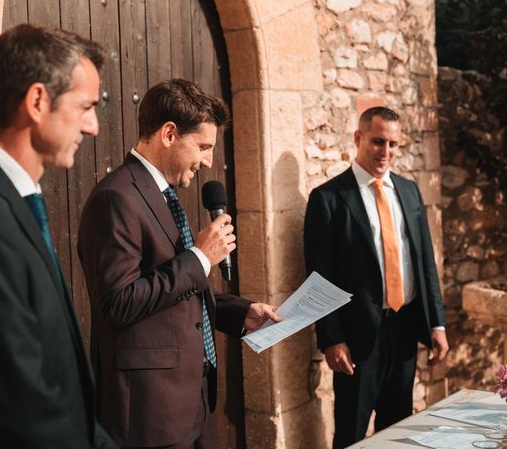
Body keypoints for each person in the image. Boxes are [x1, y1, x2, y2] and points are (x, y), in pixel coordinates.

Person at [0, 24, 117, 448]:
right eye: (85, 106)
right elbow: (23, 408)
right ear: (37, 101)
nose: (93, 127)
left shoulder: (10, 203)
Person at [77, 78, 281, 449]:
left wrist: (240, 312)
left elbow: (175, 294)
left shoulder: (163, 195)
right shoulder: (115, 199)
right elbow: (118, 304)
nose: (207, 161)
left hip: (191, 406)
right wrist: (201, 256)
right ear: (169, 134)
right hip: (147, 416)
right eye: (202, 146)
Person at [304, 106, 449, 447]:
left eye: (393, 144)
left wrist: (437, 324)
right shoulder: (328, 199)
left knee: (398, 433)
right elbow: (318, 276)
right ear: (358, 138)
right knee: (352, 435)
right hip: (357, 339)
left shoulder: (409, 191)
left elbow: (426, 263)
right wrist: (330, 338)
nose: (386, 152)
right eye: (378, 141)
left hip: (404, 329)